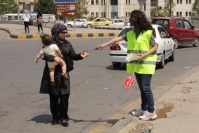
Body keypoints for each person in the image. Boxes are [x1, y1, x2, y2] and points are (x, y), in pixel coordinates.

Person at [96, 10, 158, 121]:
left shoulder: (148, 33)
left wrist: (145, 54)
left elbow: (155, 46)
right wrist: (104, 45)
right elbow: (117, 39)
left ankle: (151, 112)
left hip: (147, 64)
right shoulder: (131, 33)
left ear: (137, 20)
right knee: (142, 88)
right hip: (137, 65)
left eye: (131, 19)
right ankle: (144, 109)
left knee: (146, 88)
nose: (130, 21)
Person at [39, 23, 89, 127]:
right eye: (63, 32)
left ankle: (63, 117)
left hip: (63, 73)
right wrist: (54, 58)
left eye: (66, 32)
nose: (65, 34)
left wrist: (81, 55)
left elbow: (73, 55)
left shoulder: (67, 44)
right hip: (52, 73)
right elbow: (42, 55)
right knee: (53, 96)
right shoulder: (50, 43)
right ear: (57, 32)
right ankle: (55, 117)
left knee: (65, 96)